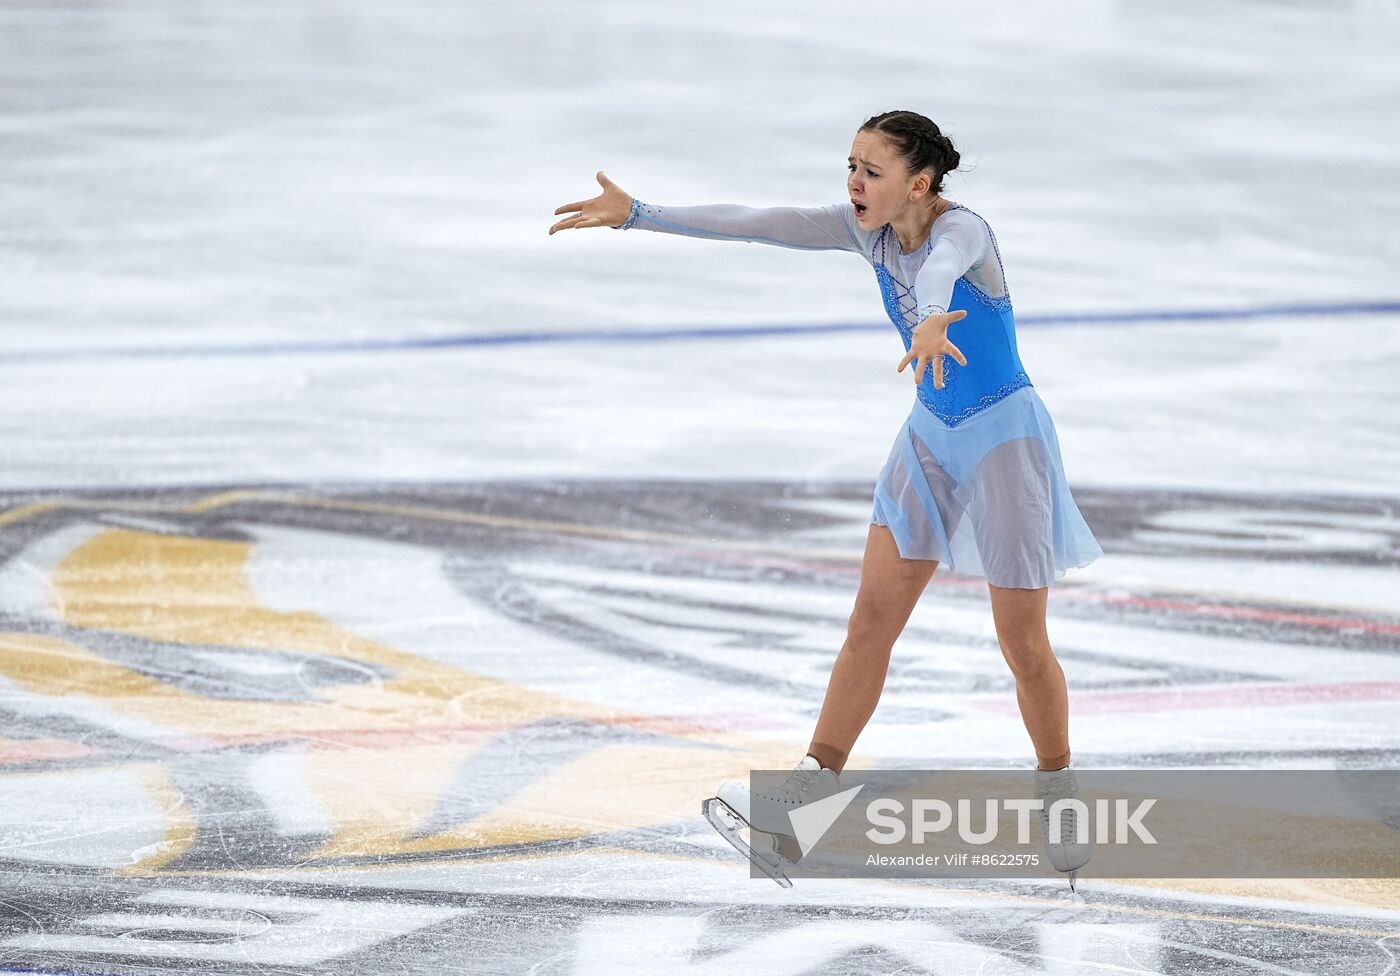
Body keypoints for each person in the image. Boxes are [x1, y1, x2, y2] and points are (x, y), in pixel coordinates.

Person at [549, 110, 1101, 887]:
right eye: (850, 165)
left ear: (920, 182)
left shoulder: (963, 231)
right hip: (930, 438)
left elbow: (941, 268)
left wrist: (937, 316)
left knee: (1022, 645)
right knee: (869, 623)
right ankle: (802, 804)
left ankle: (1057, 787)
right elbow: (760, 222)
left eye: (871, 172)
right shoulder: (863, 231)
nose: (853, 183)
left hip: (1007, 442)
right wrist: (642, 214)